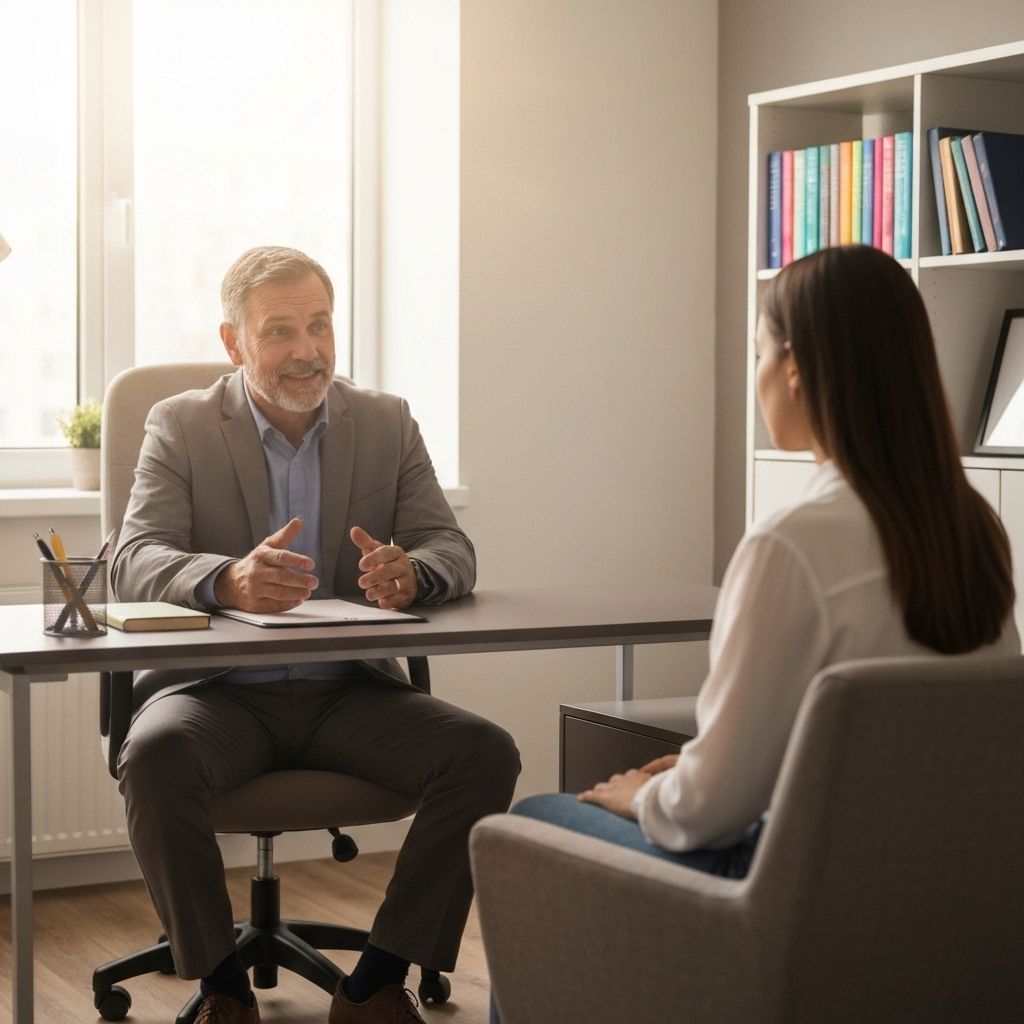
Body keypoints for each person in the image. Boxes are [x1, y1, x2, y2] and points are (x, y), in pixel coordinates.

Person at [509, 243, 1020, 886]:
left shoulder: (790, 546)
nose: (757, 375)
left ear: (797, 366)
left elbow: (708, 815)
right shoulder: (976, 526)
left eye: (759, 353)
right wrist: (700, 769)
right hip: (952, 887)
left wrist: (639, 795)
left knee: (531, 821)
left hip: (801, 894)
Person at [111, 246, 521, 1024]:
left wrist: (414, 573)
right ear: (233, 343)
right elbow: (133, 560)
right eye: (280, 331)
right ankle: (221, 989)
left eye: (320, 325)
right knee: (155, 755)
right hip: (219, 694)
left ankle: (375, 980)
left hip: (348, 692)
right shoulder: (182, 424)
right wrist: (227, 579)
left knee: (484, 752)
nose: (307, 350)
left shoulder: (385, 420)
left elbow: (451, 549)